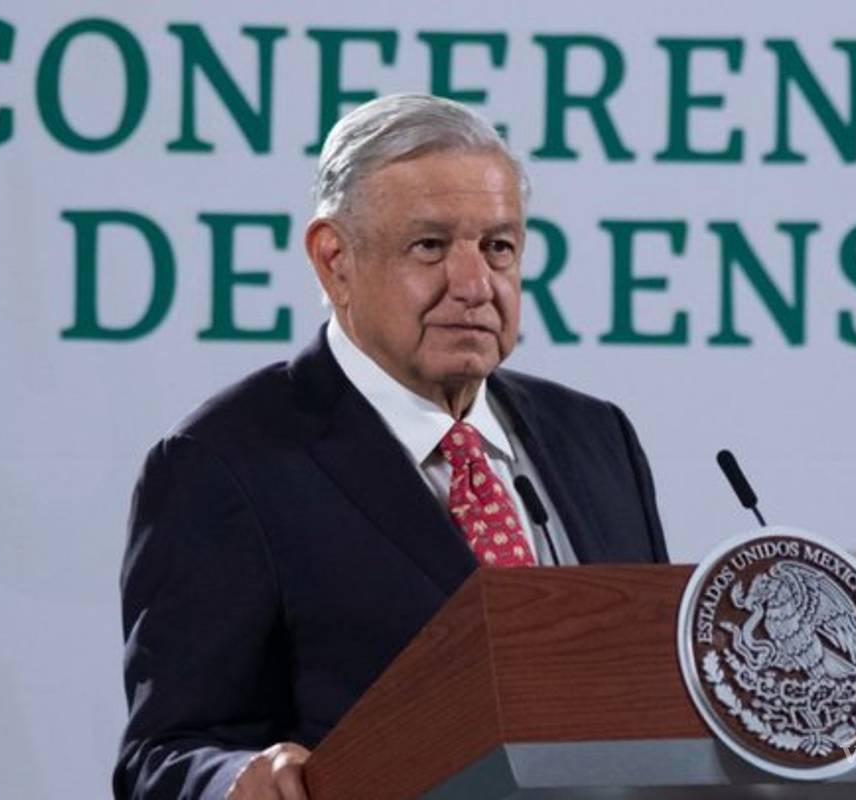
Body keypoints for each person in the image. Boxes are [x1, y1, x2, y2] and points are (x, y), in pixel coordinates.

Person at [114, 93, 668, 800]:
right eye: (429, 247)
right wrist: (235, 780)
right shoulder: (224, 465)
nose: (474, 285)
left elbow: (653, 699)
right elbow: (164, 755)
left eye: (498, 247)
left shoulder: (595, 436)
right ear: (334, 260)